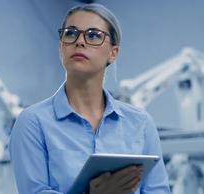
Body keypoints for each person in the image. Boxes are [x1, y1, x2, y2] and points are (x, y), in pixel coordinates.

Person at [9, 3, 171, 194]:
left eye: (93, 35)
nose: (80, 41)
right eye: (70, 33)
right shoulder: (32, 122)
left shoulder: (140, 123)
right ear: (61, 47)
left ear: (113, 53)